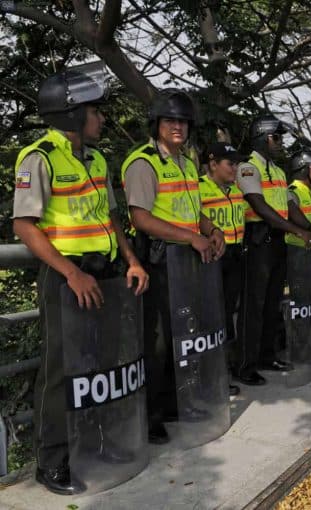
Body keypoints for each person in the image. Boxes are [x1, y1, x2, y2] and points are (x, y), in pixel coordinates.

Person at [13, 66, 149, 494]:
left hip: (104, 276)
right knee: (61, 371)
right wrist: (72, 273)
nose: (102, 118)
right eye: (95, 111)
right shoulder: (39, 157)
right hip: (66, 279)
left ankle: (99, 444)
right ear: (72, 114)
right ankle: (52, 462)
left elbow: (111, 218)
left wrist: (131, 260)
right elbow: (25, 226)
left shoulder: (96, 159)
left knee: (102, 364)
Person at [121, 88, 226, 444]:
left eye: (182, 121)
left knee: (184, 335)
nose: (177, 126)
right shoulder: (143, 162)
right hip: (159, 258)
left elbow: (190, 208)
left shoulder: (187, 161)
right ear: (157, 124)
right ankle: (150, 417)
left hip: (186, 260)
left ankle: (176, 404)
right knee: (158, 342)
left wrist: (211, 229)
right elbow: (141, 218)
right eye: (170, 120)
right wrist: (191, 237)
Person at [234, 115, 311, 385]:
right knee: (253, 306)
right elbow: (259, 206)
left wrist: (310, 227)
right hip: (258, 239)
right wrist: (296, 230)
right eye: (277, 138)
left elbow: (289, 207)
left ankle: (267, 356)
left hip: (277, 239)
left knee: (272, 303)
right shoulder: (248, 167)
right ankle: (246, 365)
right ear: (264, 138)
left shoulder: (278, 171)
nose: (280, 143)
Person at [199, 142, 250, 396]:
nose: (235, 168)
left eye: (237, 164)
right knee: (210, 318)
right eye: (231, 163)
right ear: (213, 164)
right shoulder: (198, 188)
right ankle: (207, 376)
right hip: (211, 259)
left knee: (227, 314)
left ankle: (222, 373)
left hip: (235, 256)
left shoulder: (237, 191)